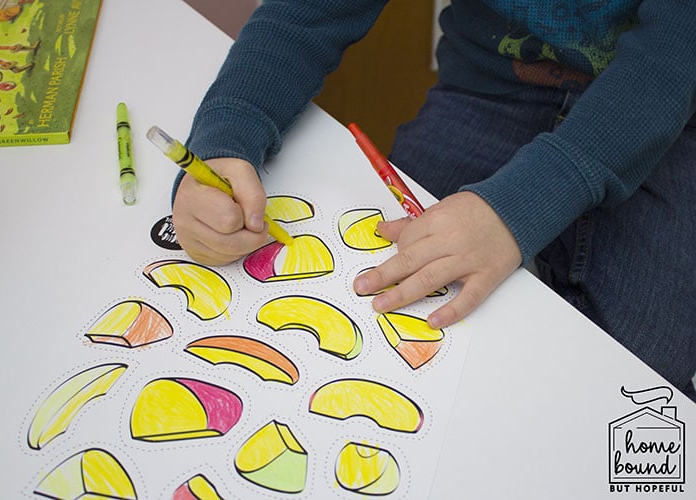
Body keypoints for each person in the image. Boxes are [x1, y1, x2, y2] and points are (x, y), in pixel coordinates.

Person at [172, 1, 695, 400]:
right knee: (394, 329)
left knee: (630, 394)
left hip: (674, 122)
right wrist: (229, 132)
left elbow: (674, 59)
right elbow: (307, 14)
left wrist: (517, 210)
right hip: (492, 87)